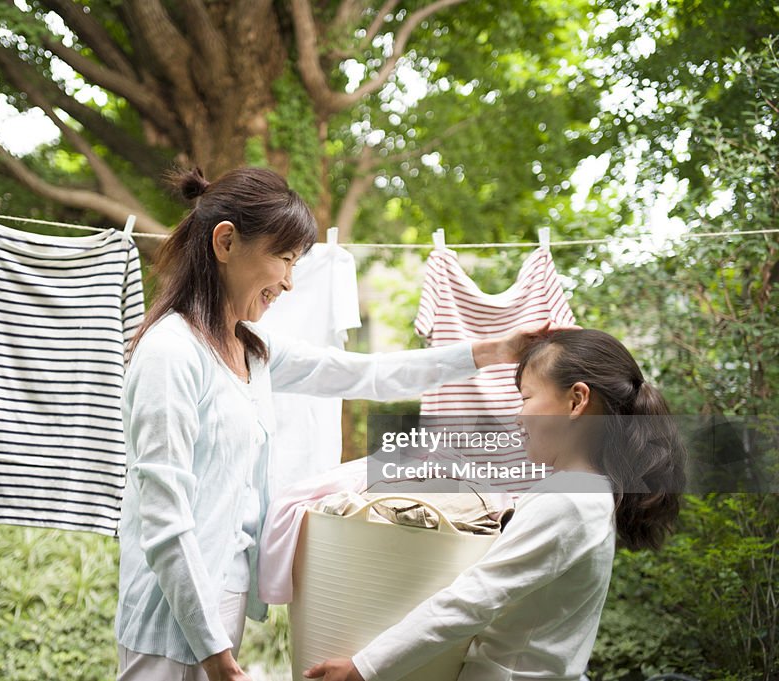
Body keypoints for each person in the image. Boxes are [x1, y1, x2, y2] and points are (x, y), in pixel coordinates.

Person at [114, 166, 566, 681]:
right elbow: (164, 517)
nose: (288, 282)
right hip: (169, 616)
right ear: (225, 242)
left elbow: (365, 373)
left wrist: (493, 351)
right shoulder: (171, 353)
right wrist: (214, 653)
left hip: (224, 599)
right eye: (283, 259)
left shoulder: (252, 349)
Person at [304, 328, 688, 681]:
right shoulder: (587, 493)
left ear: (577, 400)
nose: (518, 415)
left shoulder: (569, 500)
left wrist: (365, 666)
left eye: (527, 398)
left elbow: (473, 599)